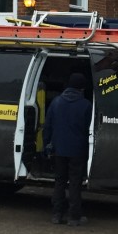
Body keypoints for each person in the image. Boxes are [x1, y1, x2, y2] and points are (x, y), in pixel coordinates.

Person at [44, 72, 93, 226]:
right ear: (82, 88)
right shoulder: (86, 105)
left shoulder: (56, 102)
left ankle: (57, 215)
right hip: (77, 150)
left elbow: (48, 127)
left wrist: (47, 146)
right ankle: (74, 217)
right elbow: (88, 130)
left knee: (59, 181)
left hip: (59, 149)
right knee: (75, 183)